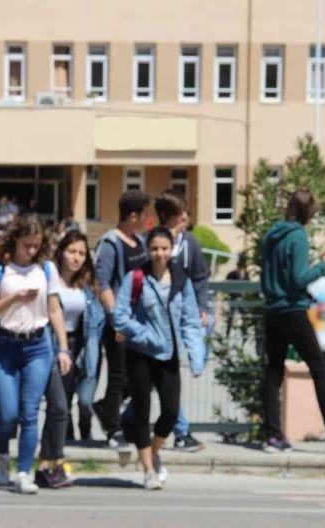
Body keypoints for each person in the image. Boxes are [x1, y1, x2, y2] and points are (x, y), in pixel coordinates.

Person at [260, 188, 325, 451]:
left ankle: (272, 435)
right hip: (293, 310)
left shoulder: (270, 236)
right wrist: (323, 264)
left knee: (273, 372)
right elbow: (298, 278)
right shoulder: (297, 236)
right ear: (308, 212)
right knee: (319, 368)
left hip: (272, 309)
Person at [0, 214, 72, 494]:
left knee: (30, 412)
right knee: (7, 413)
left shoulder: (46, 270)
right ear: (15, 240)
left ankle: (24, 472)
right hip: (5, 345)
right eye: (26, 244)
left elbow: (54, 309)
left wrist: (63, 347)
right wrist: (15, 298)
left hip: (38, 346)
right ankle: (3, 456)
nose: (31, 250)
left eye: (36, 245)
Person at [112, 227, 204, 490]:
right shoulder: (136, 278)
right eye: (154, 248)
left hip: (169, 355)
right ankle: (149, 470)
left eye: (164, 248)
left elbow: (190, 321)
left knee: (171, 412)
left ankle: (153, 451)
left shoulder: (180, 281)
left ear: (172, 248)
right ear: (148, 250)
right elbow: (119, 316)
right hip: (140, 354)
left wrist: (197, 357)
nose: (159, 254)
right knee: (141, 412)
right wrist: (144, 334)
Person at [36, 230, 105, 488]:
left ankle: (44, 465)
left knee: (61, 408)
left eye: (81, 253)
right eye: (71, 252)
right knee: (59, 408)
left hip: (78, 347)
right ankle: (55, 462)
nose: (76, 258)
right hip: (53, 345)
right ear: (61, 251)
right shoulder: (49, 278)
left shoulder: (86, 284)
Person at [92, 190, 151, 446]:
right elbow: (102, 283)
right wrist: (118, 319)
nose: (148, 219)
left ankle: (106, 407)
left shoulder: (139, 241)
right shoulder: (110, 244)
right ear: (134, 215)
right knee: (118, 375)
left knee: (141, 374)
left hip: (139, 321)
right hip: (119, 322)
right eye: (145, 214)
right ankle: (113, 428)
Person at [154, 190, 210, 452]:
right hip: (154, 320)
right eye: (180, 213)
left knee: (167, 375)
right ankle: (180, 431)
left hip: (179, 320)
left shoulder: (190, 244)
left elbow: (199, 277)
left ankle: (179, 430)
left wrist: (201, 307)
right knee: (162, 376)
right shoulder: (153, 242)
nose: (185, 217)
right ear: (166, 216)